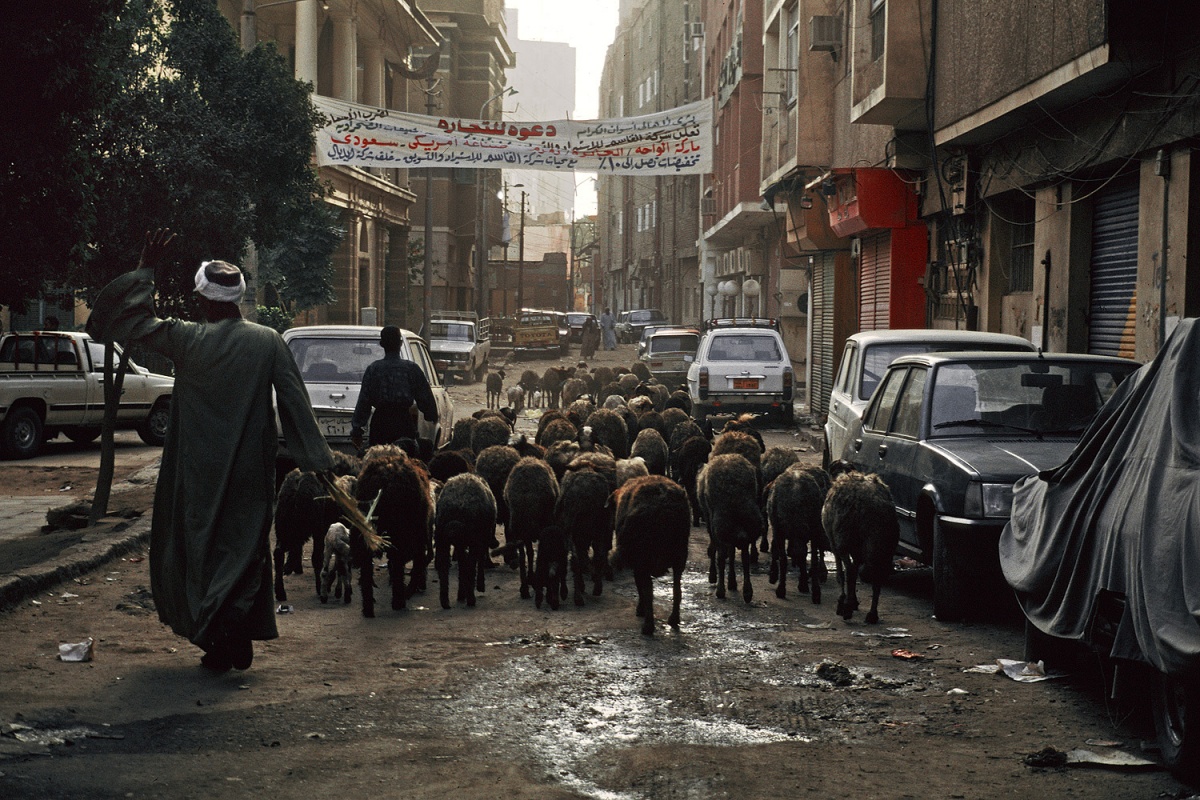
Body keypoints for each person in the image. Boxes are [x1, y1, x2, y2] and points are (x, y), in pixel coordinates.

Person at [86, 230, 335, 673]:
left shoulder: (186, 339)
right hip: (248, 477)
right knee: (242, 551)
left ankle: (218, 635)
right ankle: (231, 634)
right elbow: (296, 404)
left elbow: (120, 324)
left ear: (202, 300)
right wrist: (318, 463)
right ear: (237, 298)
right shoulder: (268, 341)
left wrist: (146, 271)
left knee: (199, 550)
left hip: (195, 475)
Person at [350, 325, 438, 452]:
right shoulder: (411, 369)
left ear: (382, 344)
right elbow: (425, 398)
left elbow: (364, 401)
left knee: (379, 461)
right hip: (403, 423)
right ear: (400, 344)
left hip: (380, 424)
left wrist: (357, 430)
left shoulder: (373, 369)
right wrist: (431, 415)